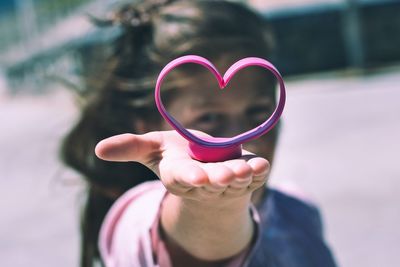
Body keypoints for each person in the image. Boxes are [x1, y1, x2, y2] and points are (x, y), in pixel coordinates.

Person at [61, 0, 337, 266]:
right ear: (147, 126)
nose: (240, 137)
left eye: (257, 112)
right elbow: (196, 240)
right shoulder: (135, 222)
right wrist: (210, 204)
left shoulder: (300, 211)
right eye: (209, 118)